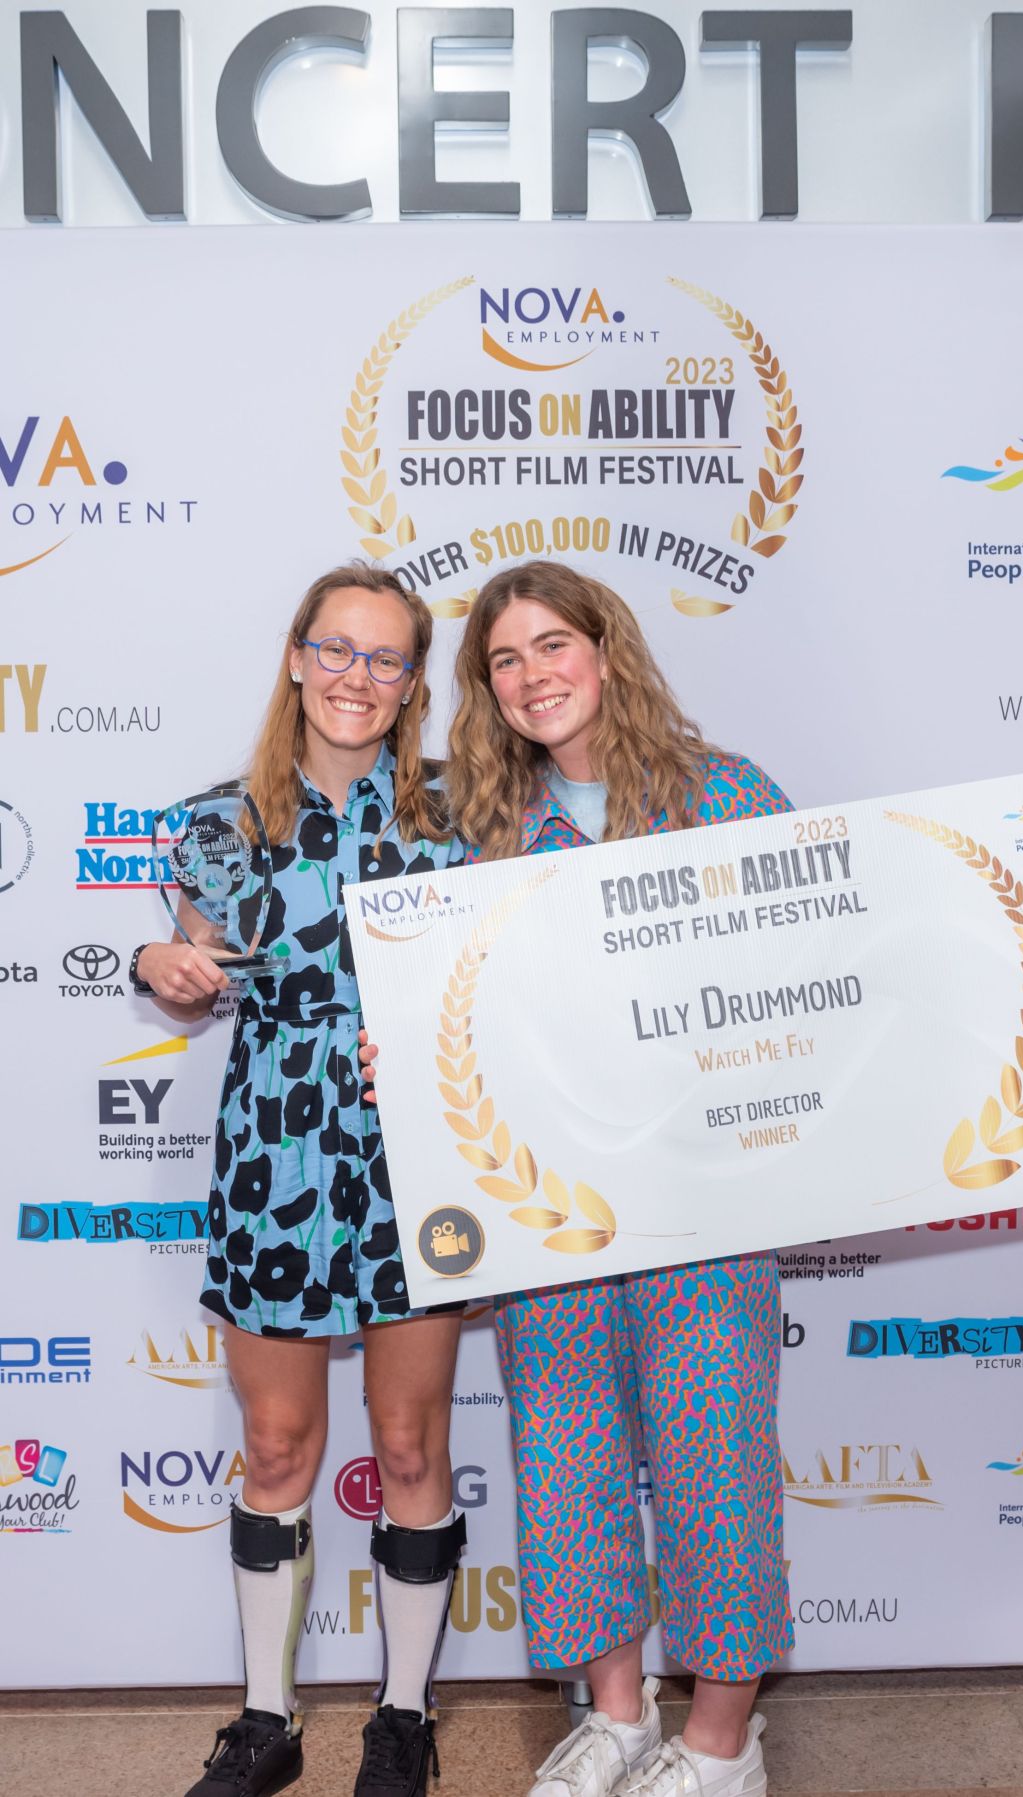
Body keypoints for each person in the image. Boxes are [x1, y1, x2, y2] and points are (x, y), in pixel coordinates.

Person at [364, 560, 793, 1797]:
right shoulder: (480, 827)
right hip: (548, 1210)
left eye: (554, 645)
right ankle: (617, 1717)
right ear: (485, 689)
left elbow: (823, 977)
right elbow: (447, 1016)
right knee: (566, 1457)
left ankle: (721, 1740)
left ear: (609, 652)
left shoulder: (727, 793)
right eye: (504, 660)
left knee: (718, 1463)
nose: (532, 674)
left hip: (709, 1201)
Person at [131, 563, 466, 1797]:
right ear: (295, 657)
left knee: (408, 1442)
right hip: (275, 1159)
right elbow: (192, 955)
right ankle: (267, 1723)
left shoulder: (455, 816)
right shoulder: (216, 824)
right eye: (337, 649)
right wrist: (158, 955)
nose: (355, 677)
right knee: (275, 1443)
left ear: (413, 682)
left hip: (419, 1165)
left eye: (384, 659)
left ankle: (404, 1716)